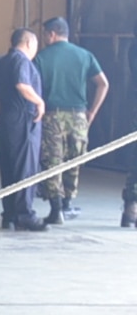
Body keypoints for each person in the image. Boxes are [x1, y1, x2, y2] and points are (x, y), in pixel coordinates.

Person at [33, 18, 107, 223]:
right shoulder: (85, 55)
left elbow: (32, 87)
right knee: (74, 160)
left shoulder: (41, 58)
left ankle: (55, 209)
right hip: (79, 115)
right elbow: (103, 84)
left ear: (51, 34)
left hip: (52, 115)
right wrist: (91, 112)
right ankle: (67, 205)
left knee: (52, 161)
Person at [0, 28, 47, 232]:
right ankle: (24, 214)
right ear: (29, 43)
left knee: (10, 167)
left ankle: (10, 214)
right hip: (22, 118)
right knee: (25, 167)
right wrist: (39, 102)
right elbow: (22, 85)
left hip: (7, 117)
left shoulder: (2, 62)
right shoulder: (21, 61)